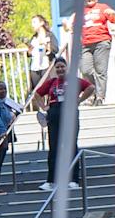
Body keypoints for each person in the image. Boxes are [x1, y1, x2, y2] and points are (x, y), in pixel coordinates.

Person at [32, 54, 91, 190]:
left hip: (69, 112)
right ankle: (51, 181)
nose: (60, 69)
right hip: (54, 112)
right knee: (54, 147)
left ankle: (74, 179)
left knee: (71, 146)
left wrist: (79, 100)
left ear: (67, 67)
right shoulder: (52, 82)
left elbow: (90, 87)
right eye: (57, 67)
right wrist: (44, 107)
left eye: (62, 66)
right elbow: (37, 94)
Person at [77, 0, 115, 104]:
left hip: (101, 41)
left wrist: (113, 13)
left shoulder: (103, 7)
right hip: (85, 44)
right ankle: (93, 91)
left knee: (101, 71)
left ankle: (100, 97)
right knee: (85, 70)